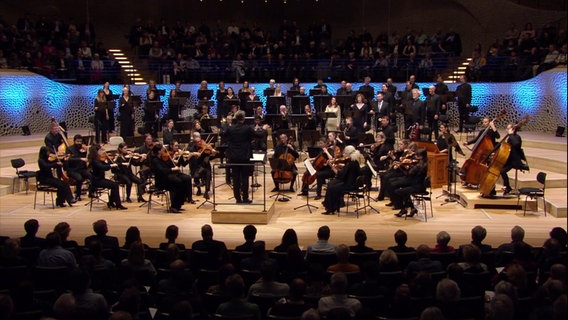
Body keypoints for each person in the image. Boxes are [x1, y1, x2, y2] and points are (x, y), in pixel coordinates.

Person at [221, 110, 268, 204]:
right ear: (243, 118)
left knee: (235, 178)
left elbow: (222, 135)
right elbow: (260, 135)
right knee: (245, 178)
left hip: (233, 156)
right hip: (244, 156)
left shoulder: (231, 128)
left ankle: (238, 199)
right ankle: (245, 198)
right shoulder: (247, 128)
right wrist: (264, 129)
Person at [150, 144, 193, 213]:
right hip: (162, 181)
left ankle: (181, 202)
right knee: (178, 182)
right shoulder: (155, 160)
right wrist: (172, 169)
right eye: (163, 150)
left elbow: (171, 164)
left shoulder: (164, 157)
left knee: (187, 178)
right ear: (159, 151)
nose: (164, 151)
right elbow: (162, 170)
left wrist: (174, 160)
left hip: (169, 177)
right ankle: (174, 206)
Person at [321, 145, 361, 215]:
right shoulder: (355, 161)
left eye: (345, 153)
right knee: (332, 184)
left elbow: (340, 176)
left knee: (331, 188)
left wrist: (332, 167)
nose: (343, 154)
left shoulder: (350, 163)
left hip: (349, 185)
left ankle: (330, 208)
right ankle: (334, 207)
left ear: (349, 153)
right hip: (353, 183)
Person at [88, 144, 127, 210]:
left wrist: (112, 161)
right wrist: (111, 165)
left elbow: (107, 166)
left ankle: (112, 202)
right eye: (102, 150)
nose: (104, 151)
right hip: (96, 181)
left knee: (114, 185)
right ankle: (118, 204)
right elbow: (103, 167)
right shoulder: (95, 161)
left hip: (100, 179)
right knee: (114, 185)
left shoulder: (99, 160)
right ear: (97, 151)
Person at [392, 148, 428, 217]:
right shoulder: (424, 163)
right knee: (403, 189)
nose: (415, 157)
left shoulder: (419, 166)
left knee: (397, 192)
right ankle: (411, 208)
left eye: (417, 156)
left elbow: (408, 174)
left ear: (421, 156)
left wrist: (402, 167)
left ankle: (403, 209)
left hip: (417, 187)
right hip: (418, 185)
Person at [499, 122, 529, 195]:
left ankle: (507, 187)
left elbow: (516, 144)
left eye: (508, 128)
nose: (507, 130)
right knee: (501, 170)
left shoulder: (516, 137)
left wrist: (511, 134)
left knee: (502, 171)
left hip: (515, 161)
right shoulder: (511, 137)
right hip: (510, 159)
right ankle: (507, 187)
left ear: (512, 129)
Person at [187, 131, 215, 200]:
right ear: (194, 143)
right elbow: (188, 152)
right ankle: (198, 188)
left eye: (200, 141)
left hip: (204, 165)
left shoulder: (204, 147)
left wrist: (213, 153)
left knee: (208, 173)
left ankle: (206, 191)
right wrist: (194, 153)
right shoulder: (192, 147)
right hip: (196, 166)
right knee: (196, 175)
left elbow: (210, 157)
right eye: (198, 142)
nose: (200, 143)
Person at [65, 134, 91, 201]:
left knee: (91, 176)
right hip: (72, 170)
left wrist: (90, 150)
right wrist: (80, 159)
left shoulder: (84, 149)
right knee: (79, 179)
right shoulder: (69, 149)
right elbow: (68, 159)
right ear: (74, 141)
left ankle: (91, 192)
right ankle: (78, 195)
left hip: (82, 169)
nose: (79, 143)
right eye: (77, 141)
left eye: (80, 141)